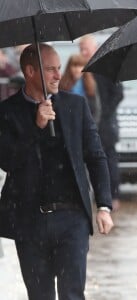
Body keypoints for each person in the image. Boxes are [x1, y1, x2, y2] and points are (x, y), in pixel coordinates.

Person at [0, 43, 114, 299]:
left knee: (72, 294)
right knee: (40, 295)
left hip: (72, 217)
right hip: (29, 220)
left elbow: (96, 156)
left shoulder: (76, 105)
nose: (57, 75)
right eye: (50, 69)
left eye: (59, 68)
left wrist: (104, 206)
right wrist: (36, 125)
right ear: (30, 71)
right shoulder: (7, 111)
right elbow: (7, 160)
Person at [79, 34, 123, 210]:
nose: (83, 52)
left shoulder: (106, 68)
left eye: (86, 49)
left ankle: (112, 197)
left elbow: (118, 94)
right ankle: (93, 197)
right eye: (81, 49)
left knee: (108, 160)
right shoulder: (78, 69)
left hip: (105, 125)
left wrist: (104, 114)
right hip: (86, 124)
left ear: (95, 49)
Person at [59, 53, 101, 123]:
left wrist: (93, 125)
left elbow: (96, 108)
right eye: (75, 66)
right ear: (69, 67)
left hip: (86, 122)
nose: (77, 69)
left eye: (81, 66)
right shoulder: (63, 84)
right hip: (68, 122)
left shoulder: (90, 84)